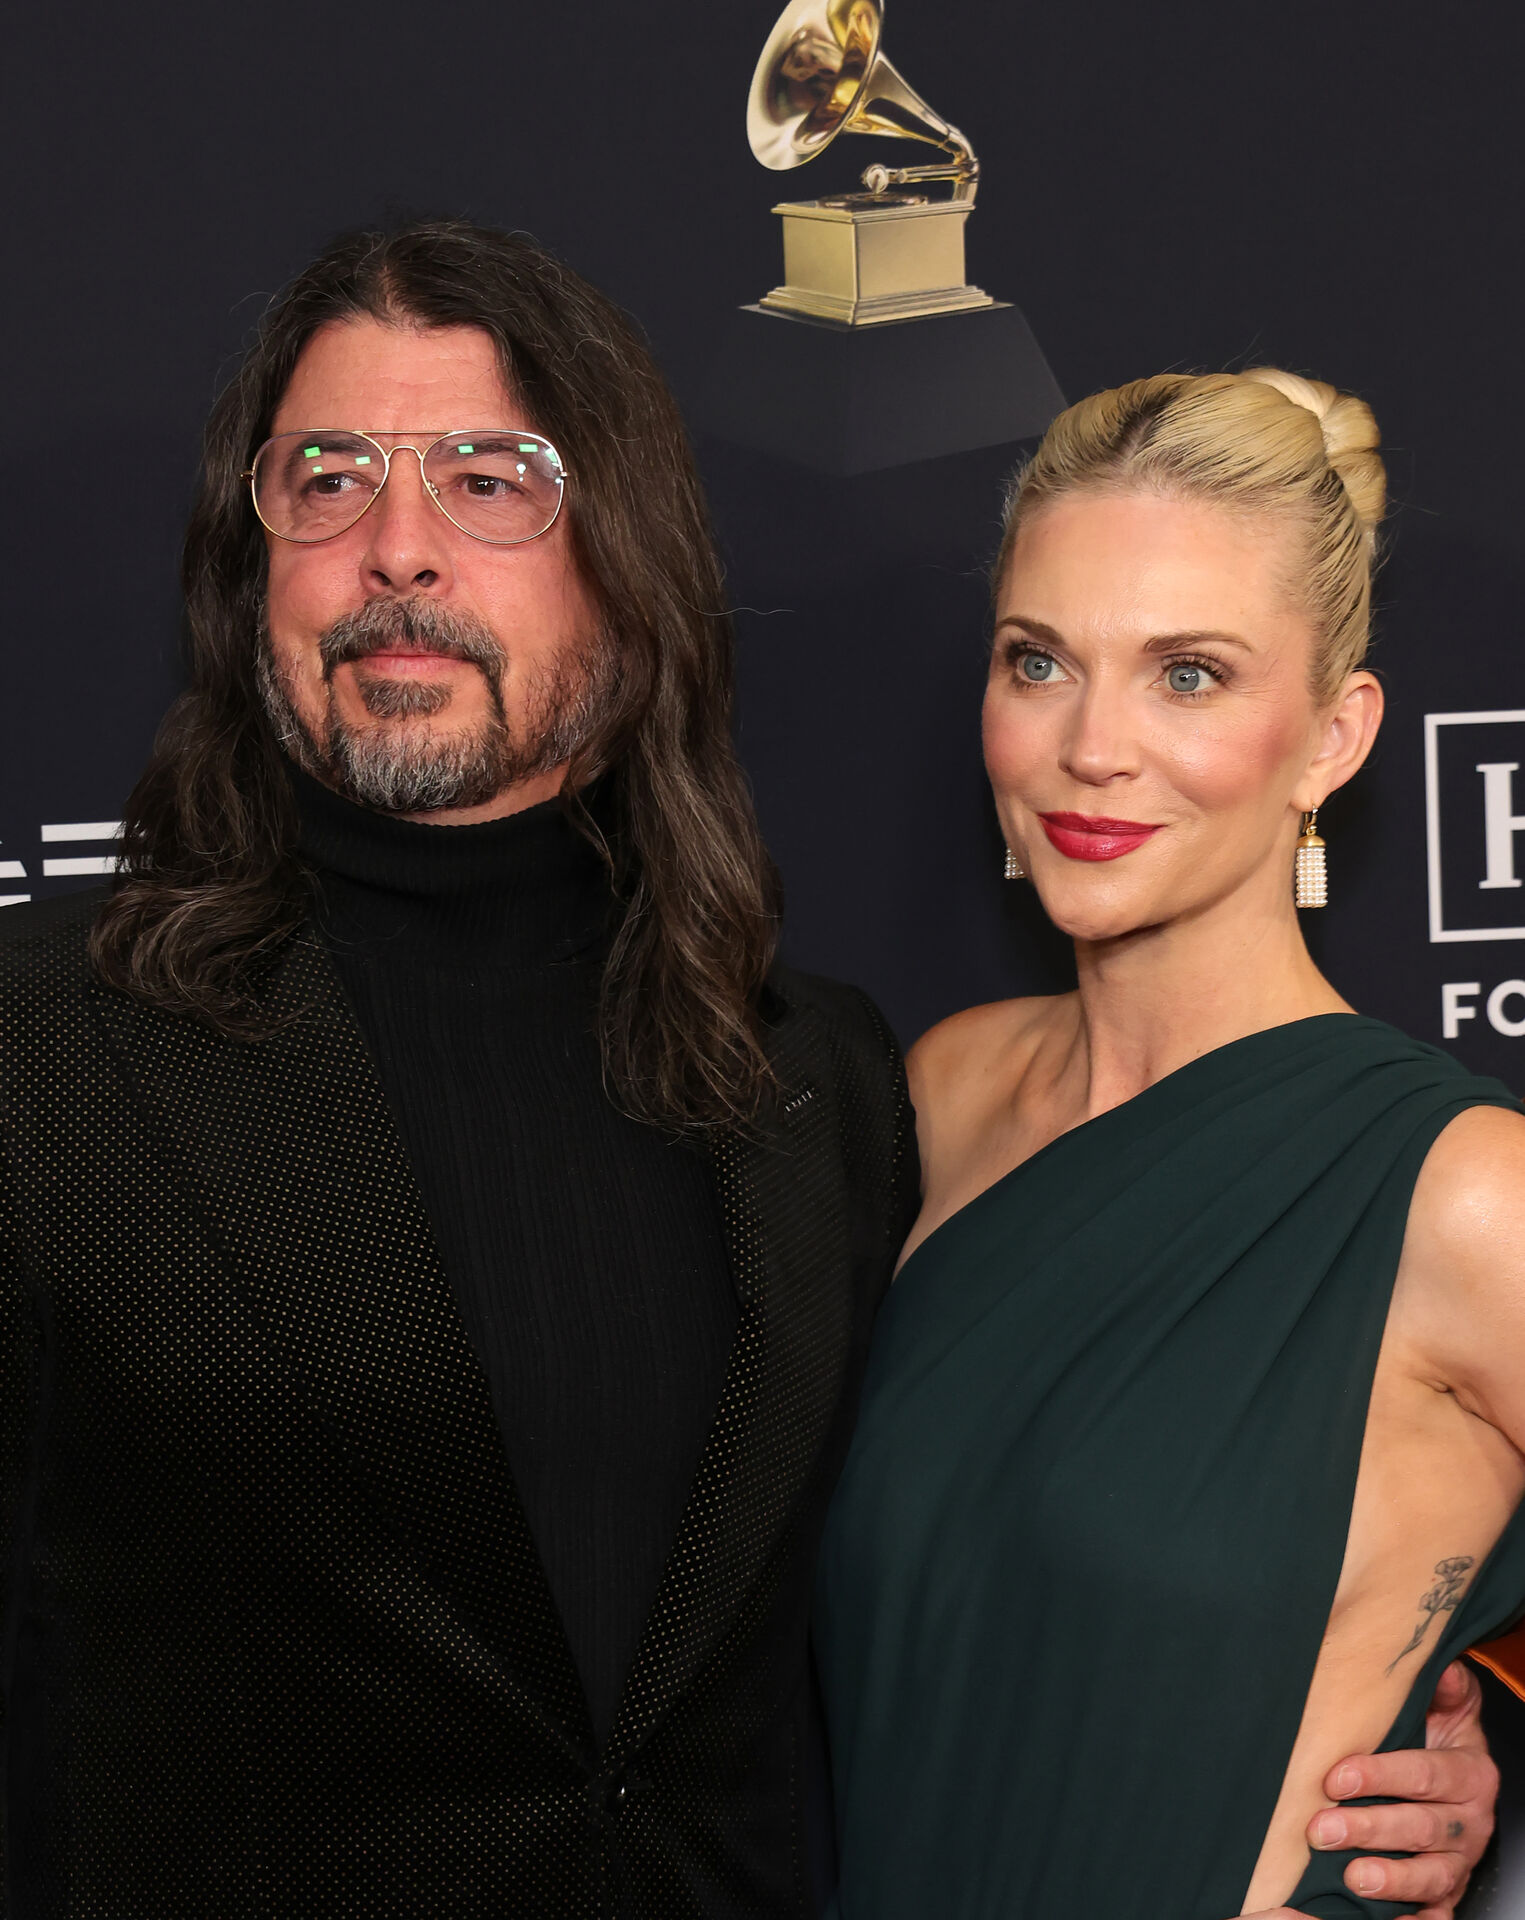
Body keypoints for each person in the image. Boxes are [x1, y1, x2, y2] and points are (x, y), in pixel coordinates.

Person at [0, 223, 1495, 1917]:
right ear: (245, 553)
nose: (396, 547)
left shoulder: (812, 1081)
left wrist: (1423, 1754)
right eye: (326, 479)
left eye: (489, 482)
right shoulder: (41, 1055)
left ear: (624, 554)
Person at [813, 367, 1525, 1919]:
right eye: (1038, 662)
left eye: (1187, 675)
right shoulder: (944, 1093)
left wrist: (1478, 1747)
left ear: (1331, 738)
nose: (1091, 746)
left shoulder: (1464, 1192)